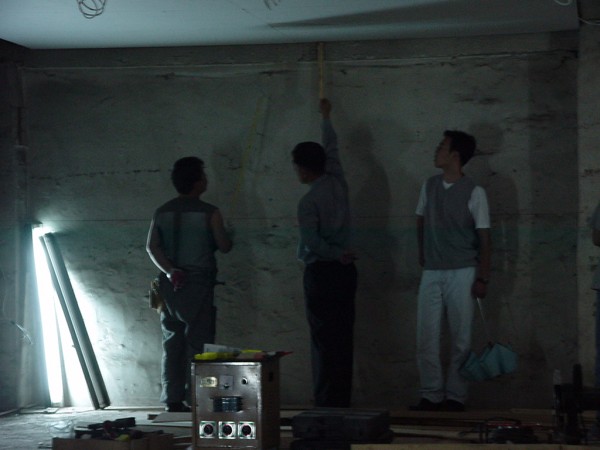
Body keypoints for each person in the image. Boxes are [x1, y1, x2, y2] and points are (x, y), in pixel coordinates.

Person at [412, 130, 491, 412]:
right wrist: (423, 252)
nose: (437, 151)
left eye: (442, 147)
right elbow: (420, 219)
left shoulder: (474, 192)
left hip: (463, 270)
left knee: (461, 337)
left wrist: (482, 276)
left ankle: (456, 396)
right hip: (433, 270)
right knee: (426, 336)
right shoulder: (429, 186)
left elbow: (484, 238)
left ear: (455, 155)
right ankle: (431, 394)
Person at [146, 156, 232, 412]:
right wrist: (230, 233)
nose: (206, 180)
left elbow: (151, 247)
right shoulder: (210, 212)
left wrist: (170, 270)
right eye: (203, 176)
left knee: (171, 341)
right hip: (198, 283)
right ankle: (197, 398)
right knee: (199, 342)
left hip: (169, 284)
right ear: (197, 182)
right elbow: (224, 246)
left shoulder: (162, 211)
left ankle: (172, 399)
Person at [292, 98, 358, 408]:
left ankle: (325, 401)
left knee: (322, 340)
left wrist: (334, 253)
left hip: (321, 273)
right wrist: (326, 117)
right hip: (345, 272)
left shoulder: (308, 202)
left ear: (304, 170)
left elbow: (312, 242)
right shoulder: (338, 183)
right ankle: (341, 399)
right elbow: (332, 148)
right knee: (343, 337)